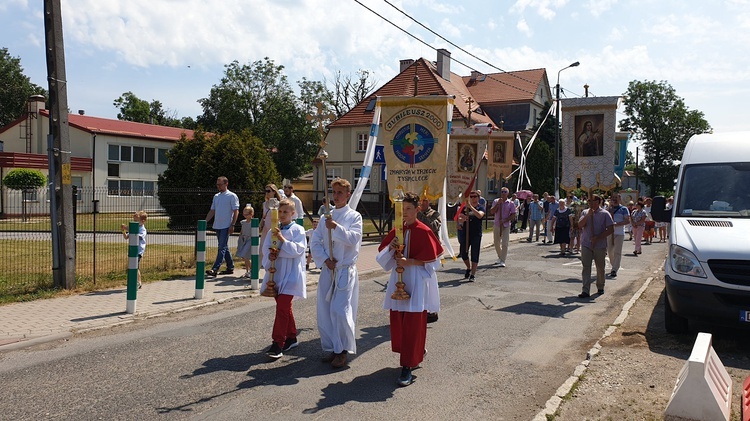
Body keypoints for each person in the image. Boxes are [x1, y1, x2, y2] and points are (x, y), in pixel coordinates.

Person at [376, 191, 443, 387]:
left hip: (415, 280)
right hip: (398, 279)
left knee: (413, 321)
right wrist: (391, 248)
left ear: (416, 210)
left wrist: (410, 261)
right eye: (402, 208)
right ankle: (412, 352)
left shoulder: (424, 230)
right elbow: (382, 260)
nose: (404, 212)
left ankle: (408, 365)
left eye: (408, 209)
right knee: (399, 320)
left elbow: (433, 263)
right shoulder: (397, 229)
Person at [310, 178, 363, 369]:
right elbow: (315, 241)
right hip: (329, 268)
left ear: (348, 195)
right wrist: (325, 259)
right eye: (335, 192)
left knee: (340, 310)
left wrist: (336, 228)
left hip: (344, 270)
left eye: (341, 192)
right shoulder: (326, 216)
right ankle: (333, 346)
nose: (337, 196)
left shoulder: (354, 216)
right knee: (325, 310)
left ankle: (343, 350)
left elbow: (354, 239)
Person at [261, 198, 307, 359]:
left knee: (282, 307)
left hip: (292, 274)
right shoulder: (274, 229)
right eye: (280, 212)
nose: (282, 215)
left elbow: (298, 250)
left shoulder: (298, 230)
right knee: (284, 308)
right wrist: (270, 255)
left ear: (293, 213)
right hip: (277, 274)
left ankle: (277, 343)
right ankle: (292, 337)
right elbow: (266, 249)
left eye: (285, 212)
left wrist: (282, 241)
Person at [577, 194, 614, 298]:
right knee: (586, 267)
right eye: (588, 201)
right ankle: (585, 290)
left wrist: (598, 237)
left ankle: (600, 286)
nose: (589, 203)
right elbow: (580, 225)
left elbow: (610, 229)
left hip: (600, 245)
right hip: (586, 244)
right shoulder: (585, 212)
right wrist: (588, 215)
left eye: (591, 201)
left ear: (598, 202)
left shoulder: (605, 214)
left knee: (600, 267)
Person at [205, 176, 240, 277]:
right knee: (224, 246)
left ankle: (215, 269)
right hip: (218, 225)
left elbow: (236, 211)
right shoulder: (216, 196)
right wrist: (205, 221)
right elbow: (212, 210)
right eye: (217, 184)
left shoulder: (232, 196)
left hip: (226, 225)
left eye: (220, 184)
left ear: (226, 184)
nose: (218, 186)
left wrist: (232, 224)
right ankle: (230, 266)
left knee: (221, 247)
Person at [416, 195, 442, 324]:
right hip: (418, 250)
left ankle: (431, 310)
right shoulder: (415, 213)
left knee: (430, 280)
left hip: (431, 251)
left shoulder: (435, 214)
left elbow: (433, 226)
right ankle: (421, 308)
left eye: (425, 200)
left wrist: (420, 215)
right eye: (421, 201)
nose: (423, 203)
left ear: (429, 201)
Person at [457, 190, 485, 281]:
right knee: (463, 253)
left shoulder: (481, 207)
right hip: (466, 233)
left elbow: (480, 215)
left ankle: (472, 274)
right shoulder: (465, 208)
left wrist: (471, 207)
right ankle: (468, 268)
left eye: (475, 196)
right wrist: (462, 219)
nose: (473, 198)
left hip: (476, 233)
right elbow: (459, 218)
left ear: (478, 198)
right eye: (471, 196)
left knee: (474, 253)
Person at [606, 194, 631, 277]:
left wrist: (617, 224)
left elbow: (627, 221)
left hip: (619, 233)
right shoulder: (609, 209)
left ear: (620, 199)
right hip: (610, 233)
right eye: (613, 198)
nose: (614, 199)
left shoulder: (624, 209)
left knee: (617, 251)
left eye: (616, 198)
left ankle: (614, 269)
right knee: (610, 251)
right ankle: (614, 265)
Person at [121, 210, 147, 289]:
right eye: (134, 220)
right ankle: (136, 282)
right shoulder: (133, 229)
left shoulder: (142, 230)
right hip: (132, 250)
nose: (134, 222)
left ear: (142, 221)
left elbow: (137, 235)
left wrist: (128, 228)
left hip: (138, 251)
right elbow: (126, 237)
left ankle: (138, 282)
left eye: (136, 221)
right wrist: (123, 230)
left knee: (135, 266)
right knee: (133, 266)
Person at [490, 187, 515, 267]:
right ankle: (500, 256)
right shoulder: (496, 201)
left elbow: (513, 214)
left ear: (508, 193)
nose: (503, 193)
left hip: (506, 225)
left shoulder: (510, 203)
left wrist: (505, 220)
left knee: (505, 243)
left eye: (505, 192)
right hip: (497, 224)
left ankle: (503, 260)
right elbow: (492, 211)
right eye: (502, 192)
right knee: (496, 243)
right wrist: (498, 204)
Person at [260, 184, 283, 264]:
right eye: (265, 191)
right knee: (262, 249)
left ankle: (273, 266)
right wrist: (261, 224)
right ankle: (255, 270)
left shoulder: (279, 204)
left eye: (269, 191)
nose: (267, 193)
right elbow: (264, 216)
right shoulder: (265, 204)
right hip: (266, 228)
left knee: (274, 249)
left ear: (274, 192)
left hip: (274, 228)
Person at [235, 204, 255, 278]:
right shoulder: (243, 222)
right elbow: (242, 231)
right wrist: (240, 238)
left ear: (251, 214)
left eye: (247, 214)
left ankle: (251, 271)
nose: (245, 216)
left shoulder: (253, 222)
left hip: (250, 240)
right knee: (245, 257)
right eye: (244, 214)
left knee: (247, 256)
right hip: (244, 239)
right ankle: (247, 271)